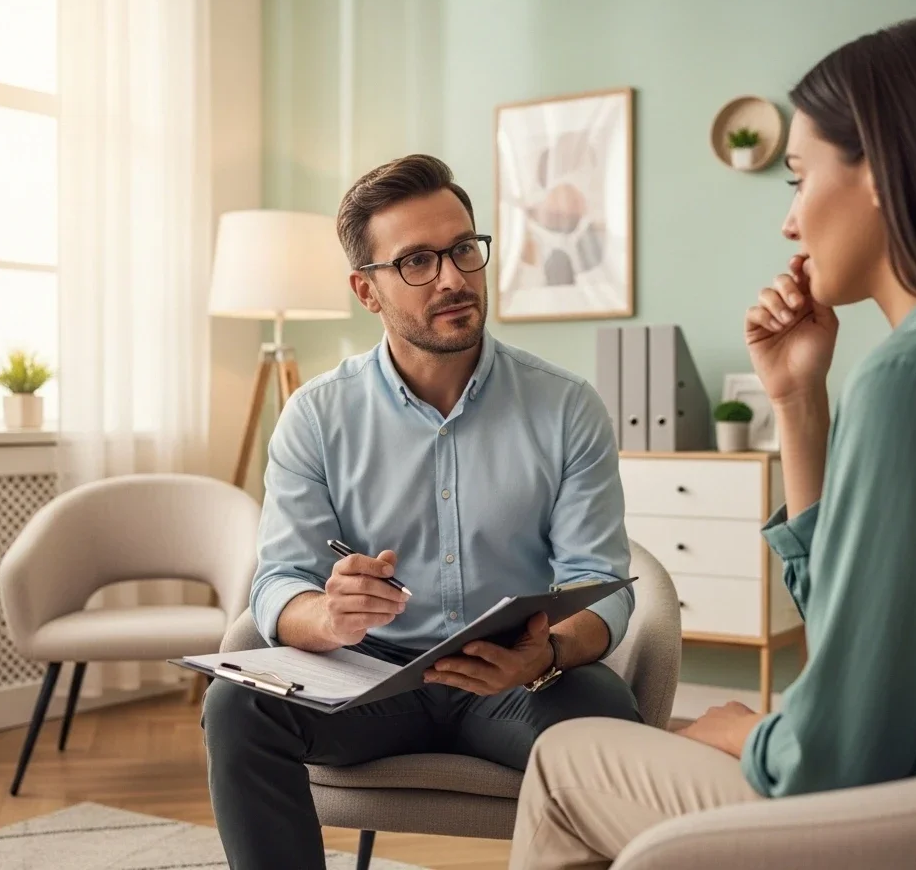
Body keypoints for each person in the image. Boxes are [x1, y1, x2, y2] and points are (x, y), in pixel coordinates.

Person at [507, 15, 916, 869]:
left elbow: (830, 762)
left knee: (565, 758)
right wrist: (799, 404)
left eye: (797, 178)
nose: (790, 223)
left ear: (879, 167)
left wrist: (753, 732)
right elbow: (858, 633)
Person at [202, 153, 641, 870]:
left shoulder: (566, 407)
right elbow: (278, 579)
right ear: (365, 291)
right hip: (365, 681)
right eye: (416, 262)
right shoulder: (316, 415)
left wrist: (551, 650)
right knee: (237, 705)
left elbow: (600, 579)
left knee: (607, 721)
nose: (453, 278)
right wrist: (327, 615)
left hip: (517, 678)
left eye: (464, 249)